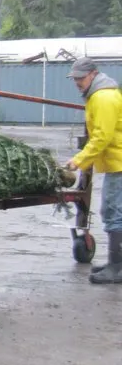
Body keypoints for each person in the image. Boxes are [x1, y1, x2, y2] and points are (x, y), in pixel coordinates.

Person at [65, 57, 122, 284]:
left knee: (113, 212)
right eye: (75, 78)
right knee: (114, 211)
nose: (77, 82)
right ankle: (115, 264)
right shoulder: (100, 93)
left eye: (81, 77)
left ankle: (116, 268)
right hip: (116, 162)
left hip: (119, 163)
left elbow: (102, 137)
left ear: (93, 74)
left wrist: (79, 160)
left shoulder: (103, 97)